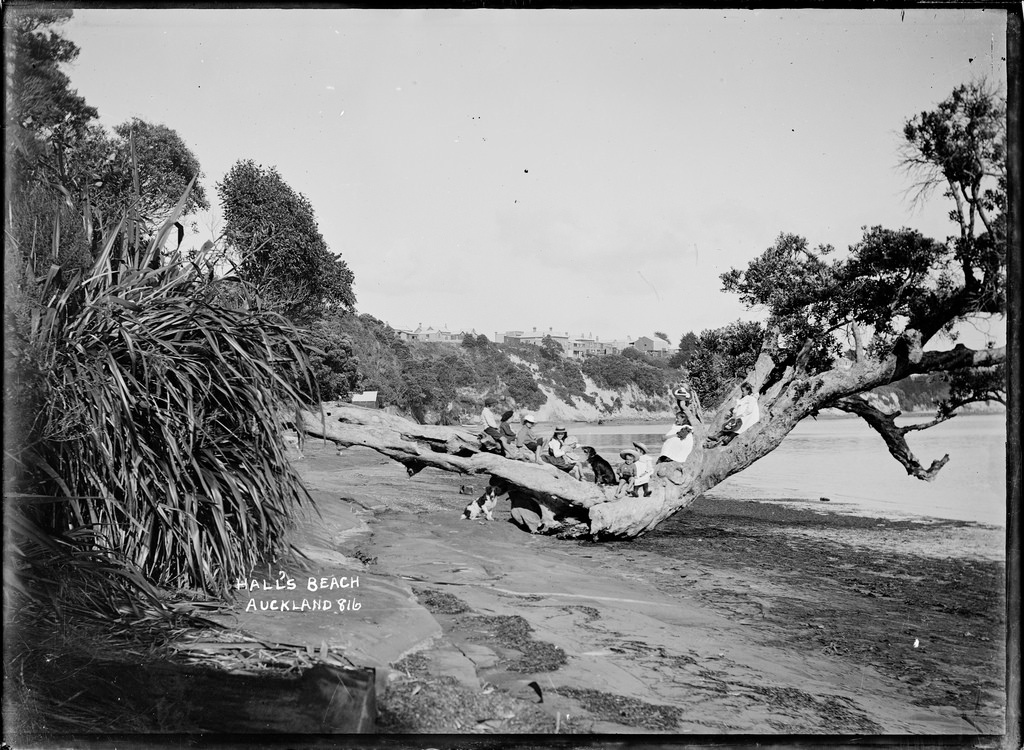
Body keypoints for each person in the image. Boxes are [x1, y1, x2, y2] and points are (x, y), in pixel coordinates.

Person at [707, 382, 760, 447]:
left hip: (745, 418)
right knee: (729, 425)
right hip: (740, 417)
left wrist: (741, 415)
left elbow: (749, 410)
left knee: (737, 428)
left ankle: (728, 439)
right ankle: (717, 435)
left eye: (743, 391)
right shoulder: (745, 398)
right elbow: (739, 406)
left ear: (748, 390)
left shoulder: (751, 398)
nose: (742, 393)